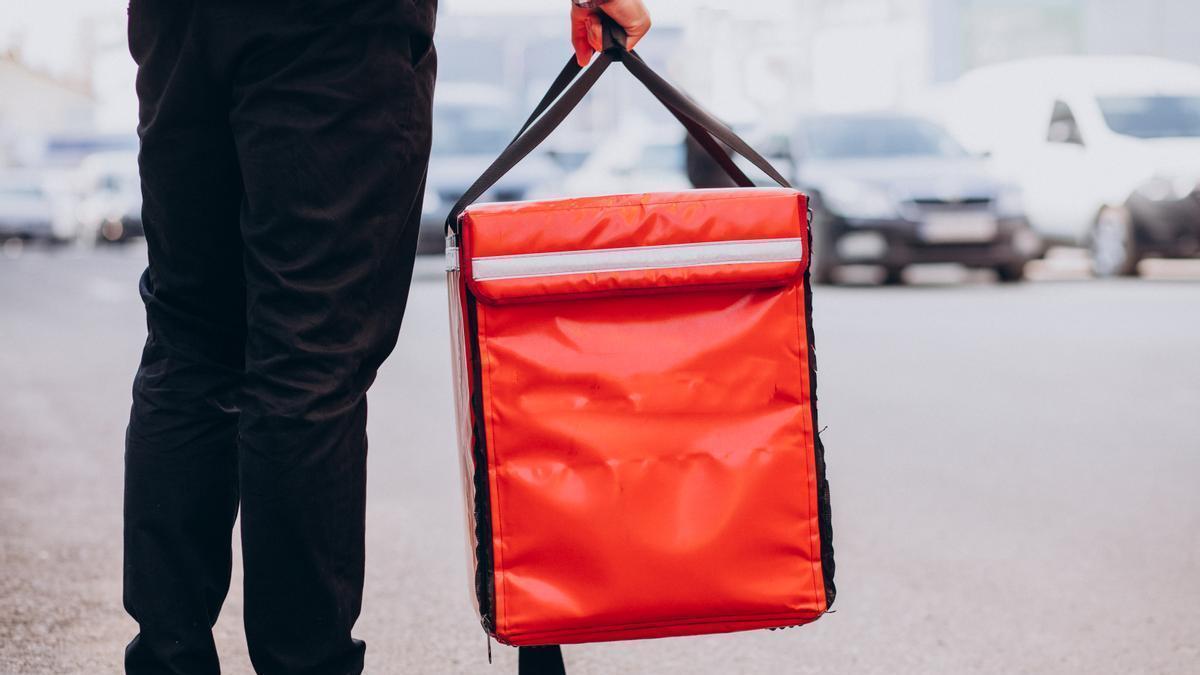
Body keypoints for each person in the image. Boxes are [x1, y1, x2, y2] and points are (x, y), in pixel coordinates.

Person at [121, 1, 650, 673]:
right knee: (308, 350)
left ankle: (168, 658)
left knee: (188, 340)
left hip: (179, 21)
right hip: (334, 28)